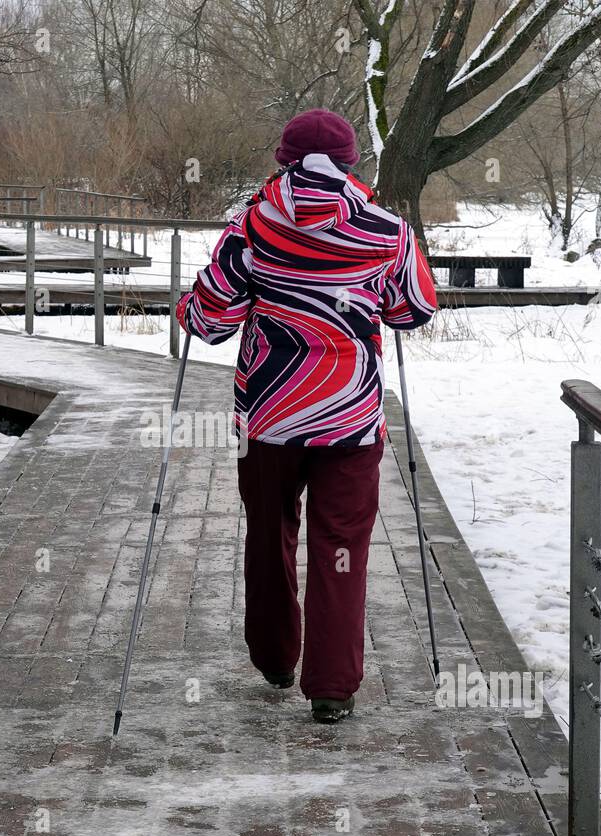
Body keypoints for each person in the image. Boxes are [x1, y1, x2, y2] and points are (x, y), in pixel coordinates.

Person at [177, 107, 438, 724]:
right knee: (341, 545)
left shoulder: (252, 226)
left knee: (269, 535)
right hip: (351, 418)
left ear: (283, 159)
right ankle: (332, 686)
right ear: (351, 162)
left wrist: (192, 303)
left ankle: (273, 657)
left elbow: (210, 319)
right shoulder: (386, 229)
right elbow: (417, 309)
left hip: (269, 417)